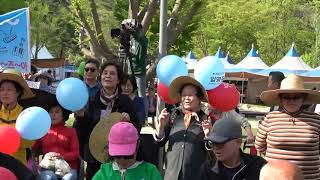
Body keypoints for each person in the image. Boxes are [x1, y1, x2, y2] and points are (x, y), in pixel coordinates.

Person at [73, 60, 140, 180]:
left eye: (112, 73)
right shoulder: (91, 101)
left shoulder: (125, 102)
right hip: (95, 156)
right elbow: (81, 133)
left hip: (121, 158)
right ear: (100, 77)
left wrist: (129, 122)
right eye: (105, 73)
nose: (108, 76)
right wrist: (81, 117)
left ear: (118, 80)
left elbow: (137, 128)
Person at [255, 74, 320, 179]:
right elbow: (260, 145)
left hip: (310, 177)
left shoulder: (316, 119)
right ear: (280, 99)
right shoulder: (269, 118)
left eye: (296, 97)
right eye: (287, 97)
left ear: (303, 98)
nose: (291, 100)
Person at [154, 76, 213, 180]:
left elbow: (213, 151)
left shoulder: (206, 119)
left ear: (199, 98)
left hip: (195, 176)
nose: (186, 98)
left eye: (190, 95)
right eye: (184, 95)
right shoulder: (174, 116)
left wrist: (209, 135)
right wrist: (161, 127)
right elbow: (160, 143)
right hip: (171, 174)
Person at [199, 118, 266, 180]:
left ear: (238, 142)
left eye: (220, 143)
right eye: (212, 143)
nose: (215, 148)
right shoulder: (207, 169)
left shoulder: (258, 166)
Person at [92, 122, 162, 180]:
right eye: (117, 156)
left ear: (138, 145)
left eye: (127, 156)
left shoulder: (150, 172)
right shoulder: (104, 173)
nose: (122, 160)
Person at [33, 101, 79, 180]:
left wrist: (61, 157)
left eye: (57, 112)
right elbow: (33, 148)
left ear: (63, 115)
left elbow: (75, 153)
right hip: (48, 167)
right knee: (50, 177)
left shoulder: (71, 131)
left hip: (68, 167)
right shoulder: (43, 131)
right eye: (51, 112)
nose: (53, 114)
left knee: (69, 178)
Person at [0, 68, 35, 164]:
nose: (4, 93)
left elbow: (30, 142)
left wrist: (10, 138)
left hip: (18, 166)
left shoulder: (25, 114)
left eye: (9, 89)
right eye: (2, 89)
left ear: (18, 92)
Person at [121, 19, 148, 113]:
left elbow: (138, 37)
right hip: (130, 71)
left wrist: (132, 29)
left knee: (141, 95)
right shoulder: (130, 41)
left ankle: (143, 116)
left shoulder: (143, 39)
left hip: (140, 72)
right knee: (128, 93)